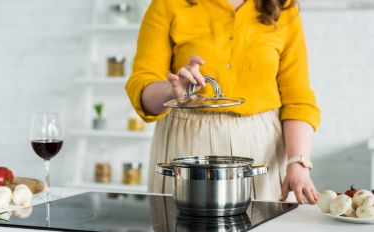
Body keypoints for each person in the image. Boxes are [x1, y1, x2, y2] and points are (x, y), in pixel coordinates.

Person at [126, 0, 321, 204]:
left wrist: (297, 162)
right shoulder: (167, 4)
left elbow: (297, 98)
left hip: (262, 148)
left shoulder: (283, 7)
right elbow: (142, 86)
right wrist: (170, 90)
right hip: (185, 144)